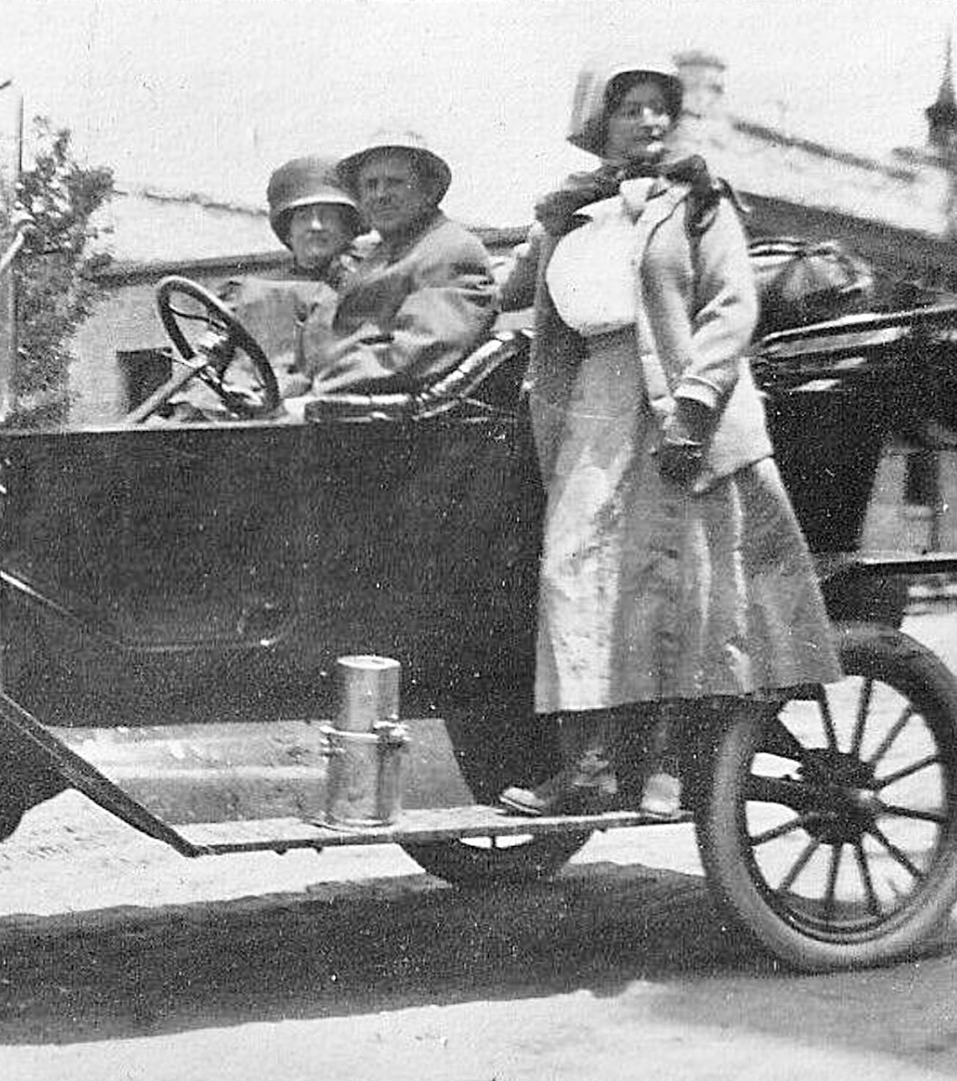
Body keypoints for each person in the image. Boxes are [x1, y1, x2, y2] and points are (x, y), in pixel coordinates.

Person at [497, 61, 840, 820]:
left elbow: (731, 305)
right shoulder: (571, 212)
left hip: (683, 399)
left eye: (660, 109)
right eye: (632, 109)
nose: (650, 122)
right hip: (591, 398)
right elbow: (505, 293)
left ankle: (669, 765)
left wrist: (694, 403)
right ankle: (587, 765)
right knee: (574, 572)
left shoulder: (699, 201)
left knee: (674, 578)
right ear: (599, 123)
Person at [293, 131, 498, 403]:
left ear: (429, 192)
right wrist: (293, 387)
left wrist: (318, 391)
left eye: (395, 183)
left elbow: (419, 348)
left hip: (381, 413)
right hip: (340, 400)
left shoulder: (450, 249)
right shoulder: (377, 255)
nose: (380, 195)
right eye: (370, 185)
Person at [168, 155, 364, 414]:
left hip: (316, 416)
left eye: (328, 216)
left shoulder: (367, 287)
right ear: (288, 231)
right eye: (303, 216)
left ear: (348, 228)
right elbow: (208, 362)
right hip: (236, 414)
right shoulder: (245, 291)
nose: (315, 226)